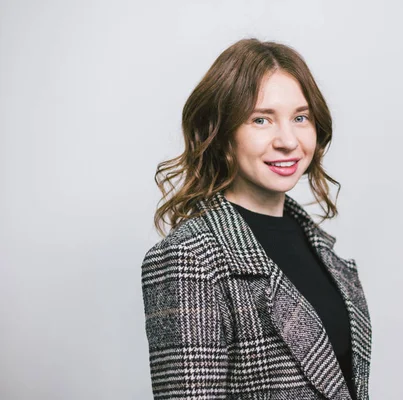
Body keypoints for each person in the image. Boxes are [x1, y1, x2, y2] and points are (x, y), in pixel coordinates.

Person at [140, 37, 372, 400]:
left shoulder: (321, 248)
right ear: (221, 136)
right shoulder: (190, 258)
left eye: (300, 117)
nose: (287, 140)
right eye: (261, 119)